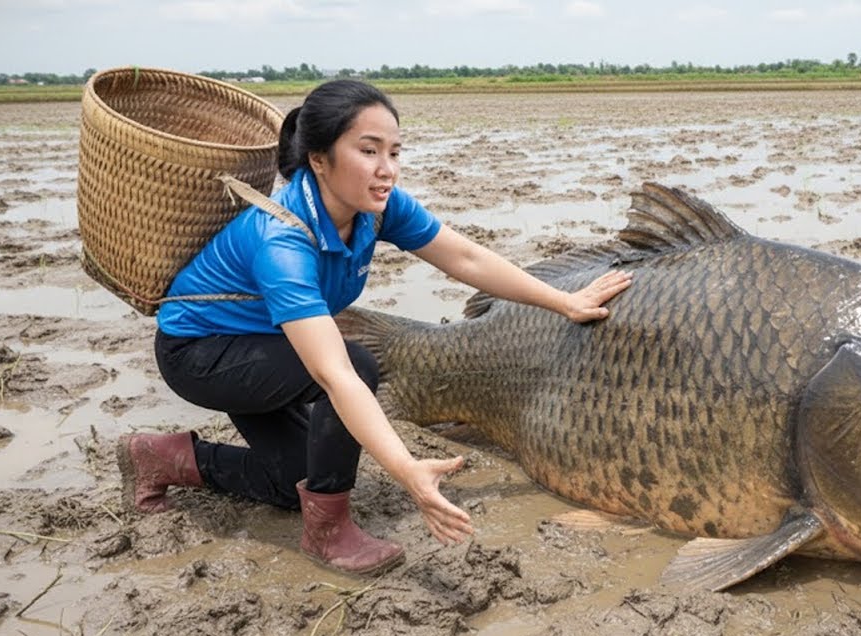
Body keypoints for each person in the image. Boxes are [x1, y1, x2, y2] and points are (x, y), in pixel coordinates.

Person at [117, 79, 632, 574]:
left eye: (395, 152)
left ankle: (161, 458)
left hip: (267, 346)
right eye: (369, 151)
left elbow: (466, 257)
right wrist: (406, 468)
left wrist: (563, 301)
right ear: (319, 159)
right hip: (203, 355)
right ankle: (329, 532)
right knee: (357, 366)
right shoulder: (283, 241)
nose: (387, 169)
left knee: (292, 482)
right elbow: (335, 374)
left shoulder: (376, 209)